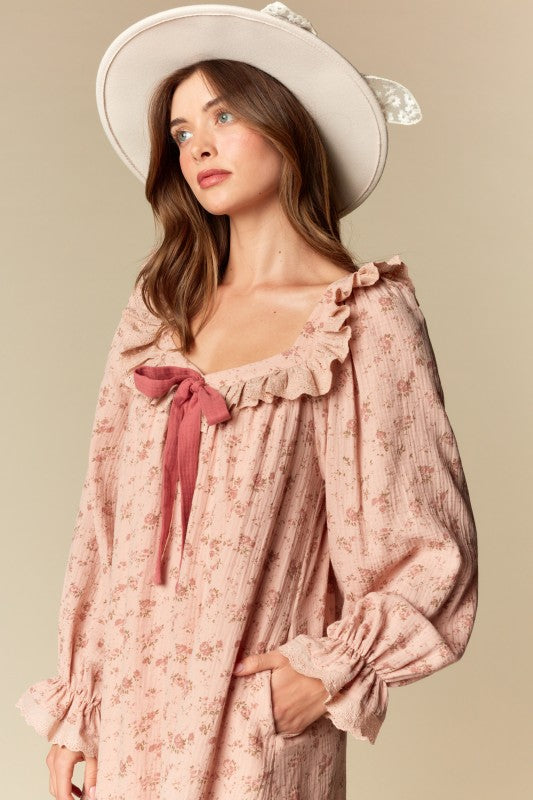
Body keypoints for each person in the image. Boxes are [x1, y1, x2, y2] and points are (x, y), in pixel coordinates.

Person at [15, 4, 479, 799]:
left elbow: (425, 544)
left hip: (251, 738)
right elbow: (103, 524)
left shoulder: (358, 319)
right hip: (126, 720)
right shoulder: (157, 317)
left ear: (286, 120)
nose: (197, 145)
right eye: (181, 130)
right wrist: (79, 710)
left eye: (223, 115)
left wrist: (328, 672)